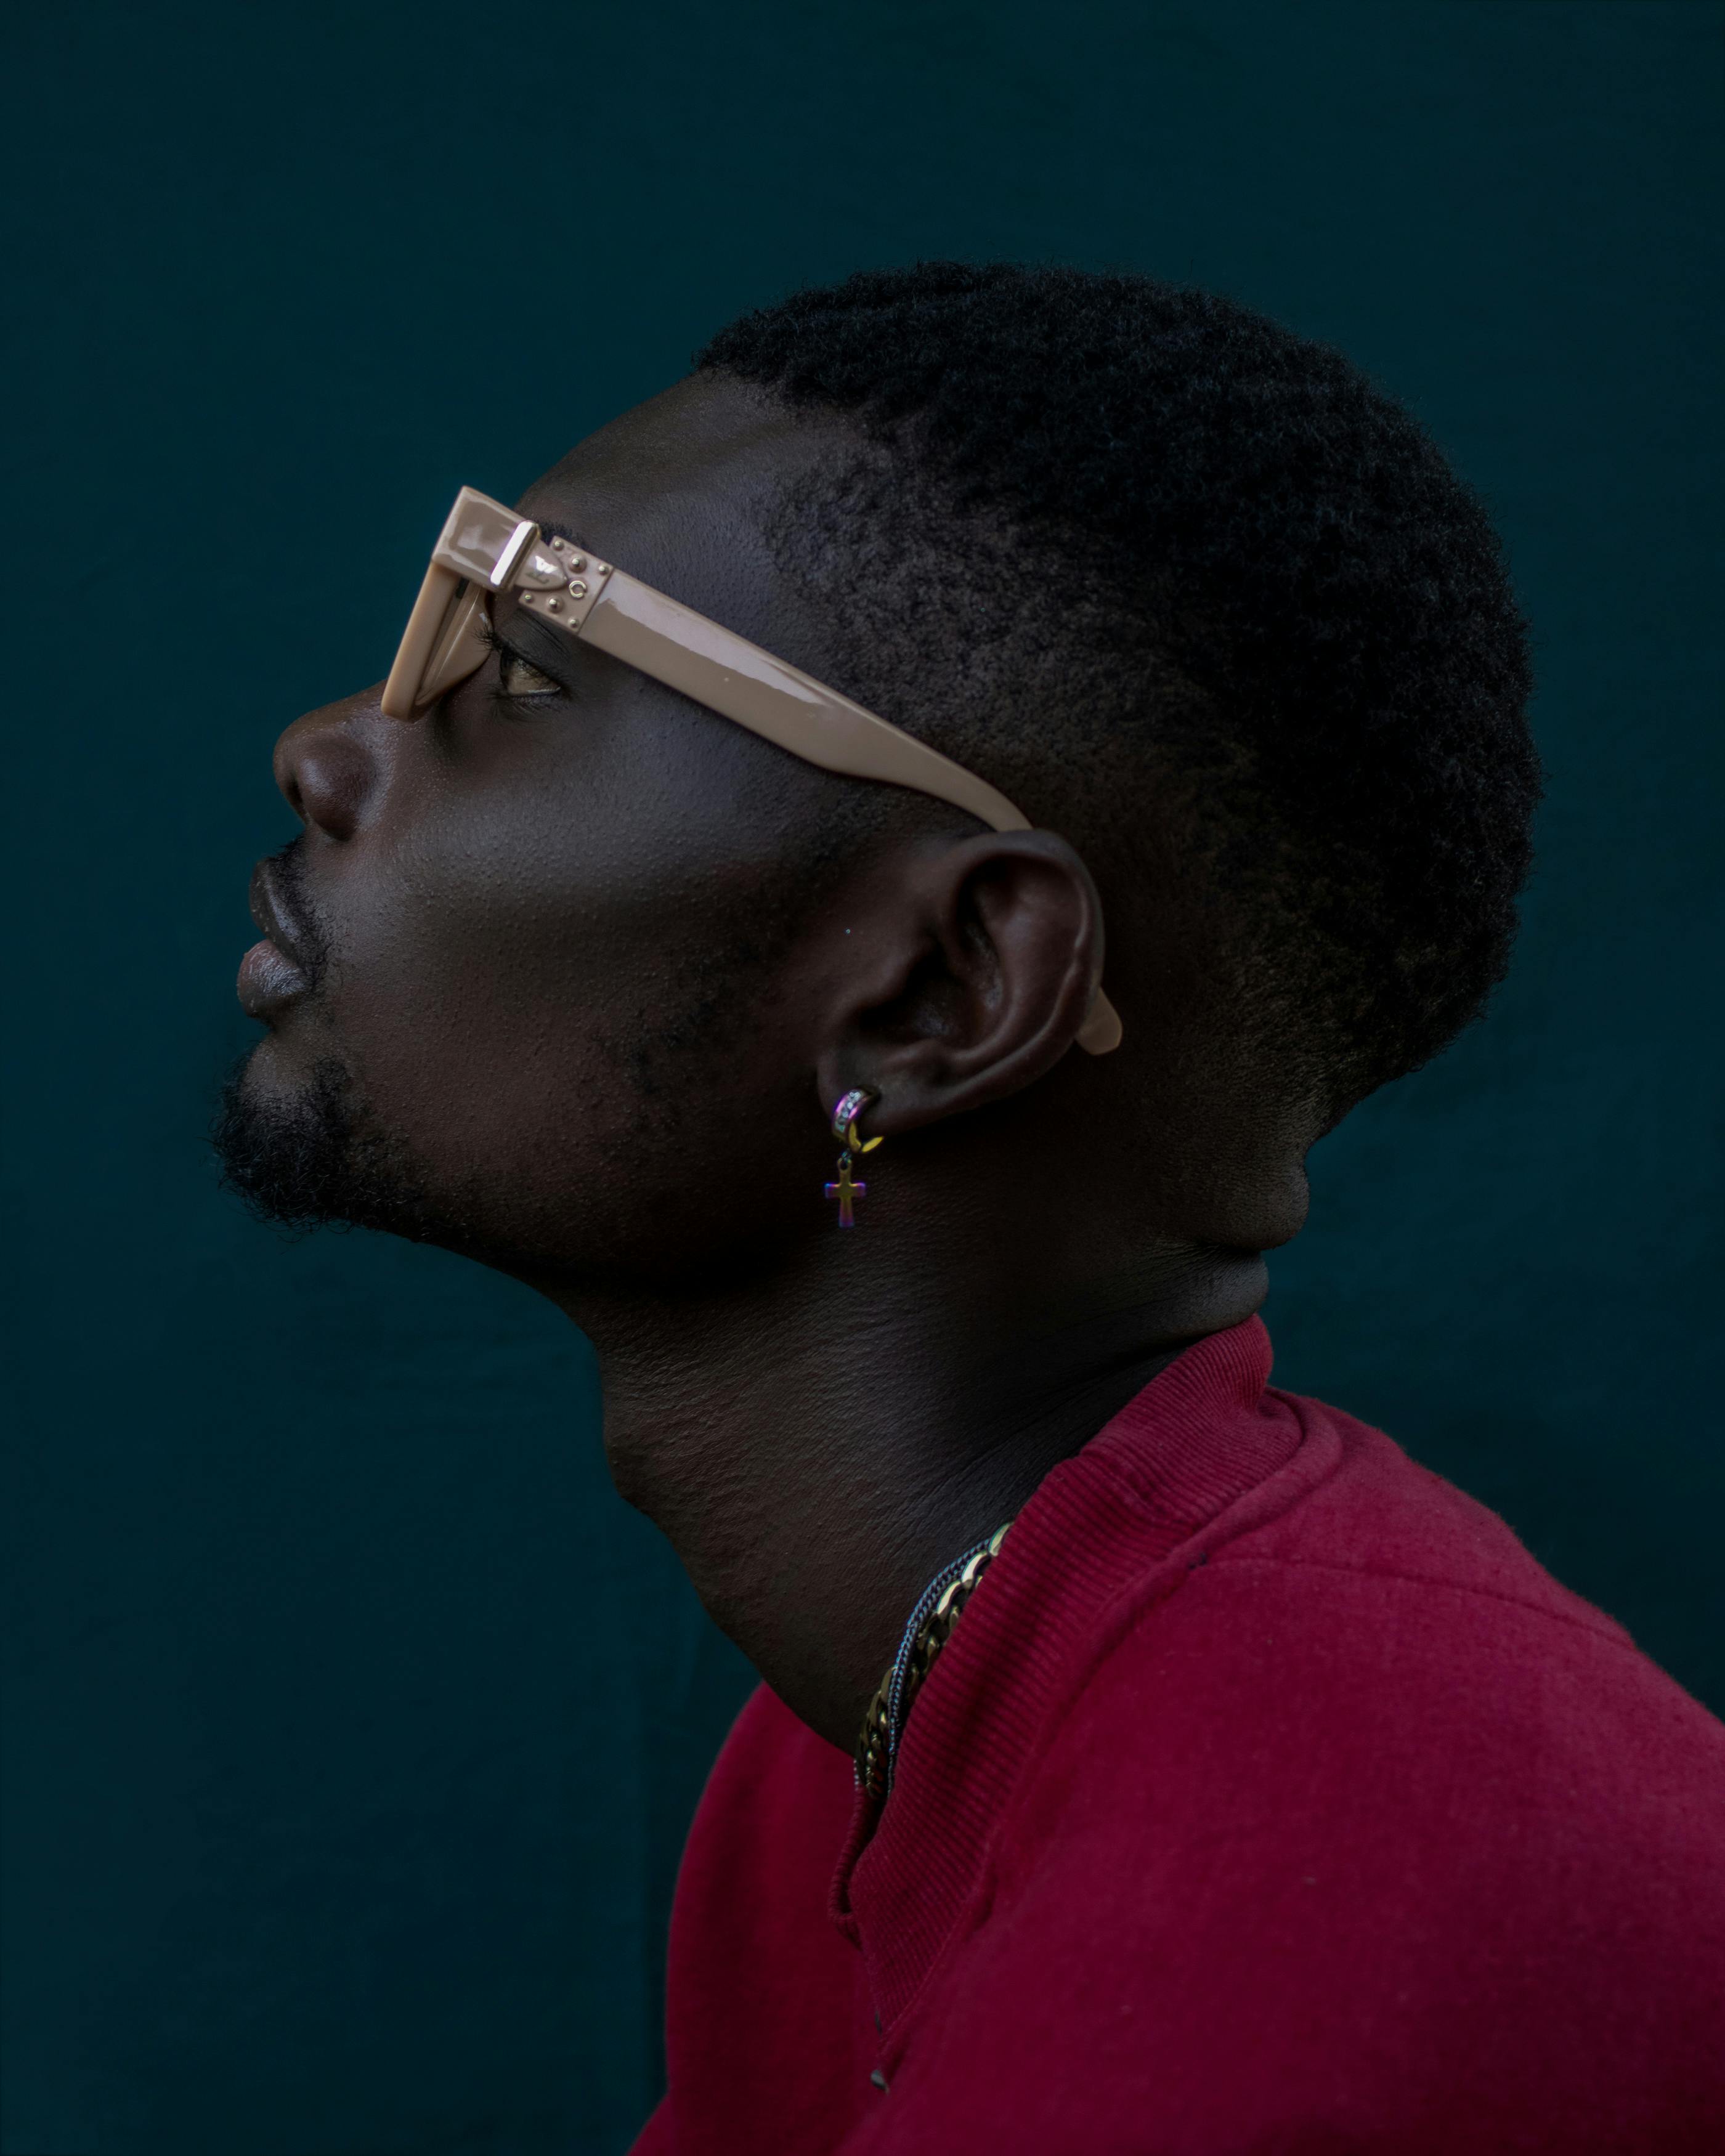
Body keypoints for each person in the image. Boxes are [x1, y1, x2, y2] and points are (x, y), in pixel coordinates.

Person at [216, 263, 1725, 2154]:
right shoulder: (861, 1731)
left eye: (518, 674)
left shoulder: (1328, 1855)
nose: (330, 743)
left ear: (948, 989)